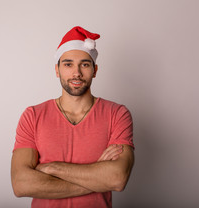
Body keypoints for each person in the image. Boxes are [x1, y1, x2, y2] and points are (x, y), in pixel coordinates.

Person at [11, 26, 134, 208]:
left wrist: (52, 168)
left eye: (84, 64)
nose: (76, 72)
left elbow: (117, 178)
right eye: (68, 64)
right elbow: (21, 184)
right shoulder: (33, 116)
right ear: (57, 70)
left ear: (95, 70)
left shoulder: (117, 114)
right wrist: (96, 176)